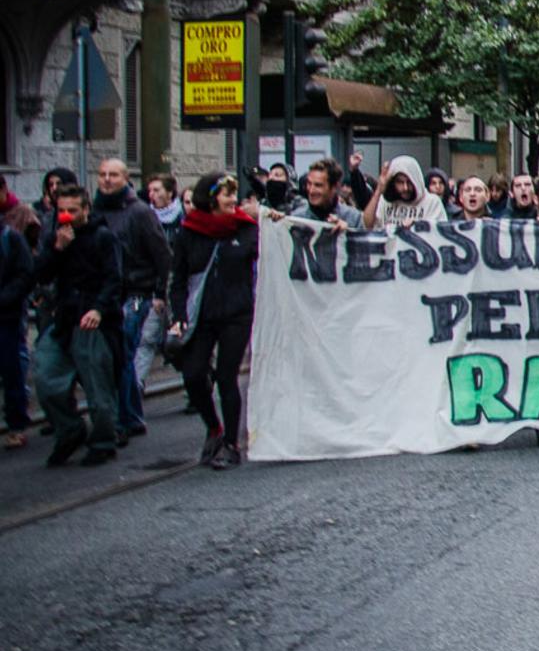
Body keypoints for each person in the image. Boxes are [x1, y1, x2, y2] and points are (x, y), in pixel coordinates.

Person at [169, 172, 259, 469]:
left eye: (234, 194)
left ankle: (231, 444)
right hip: (204, 315)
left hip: (237, 314)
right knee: (194, 374)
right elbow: (178, 278)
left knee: (226, 376)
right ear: (209, 198)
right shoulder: (189, 232)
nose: (233, 199)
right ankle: (214, 427)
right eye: (226, 194)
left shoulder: (247, 230)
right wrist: (179, 315)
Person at [34, 182, 123, 466]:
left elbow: (114, 279)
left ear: (86, 209)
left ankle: (103, 440)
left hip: (93, 322)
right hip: (63, 319)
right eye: (62, 210)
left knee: (98, 388)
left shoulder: (103, 237)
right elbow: (42, 274)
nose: (67, 216)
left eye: (73, 210)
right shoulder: (57, 236)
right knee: (46, 378)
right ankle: (70, 429)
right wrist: (58, 249)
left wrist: (99, 309)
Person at [93, 157, 172, 446]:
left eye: (113, 174)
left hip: (135, 292)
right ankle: (132, 416)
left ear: (126, 179)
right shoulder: (94, 210)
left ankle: (122, 419)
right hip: (107, 293)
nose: (107, 180)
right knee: (114, 357)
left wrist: (161, 294)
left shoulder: (139, 212)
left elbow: (162, 255)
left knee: (122, 353)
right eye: (102, 174)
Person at [0, 214, 31, 450]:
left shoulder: (11, 238)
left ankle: (16, 424)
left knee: (11, 371)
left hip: (6, 317)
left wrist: (5, 300)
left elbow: (24, 276)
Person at [364, 156, 449, 228]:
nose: (405, 188)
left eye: (409, 182)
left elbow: (439, 233)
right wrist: (378, 191)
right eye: (400, 182)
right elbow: (367, 225)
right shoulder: (385, 201)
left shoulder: (432, 202)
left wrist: (418, 226)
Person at [281, 158, 366, 228]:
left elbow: (360, 248)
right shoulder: (297, 218)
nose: (311, 191)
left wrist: (346, 234)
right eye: (309, 184)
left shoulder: (353, 218)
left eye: (318, 185)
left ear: (335, 187)